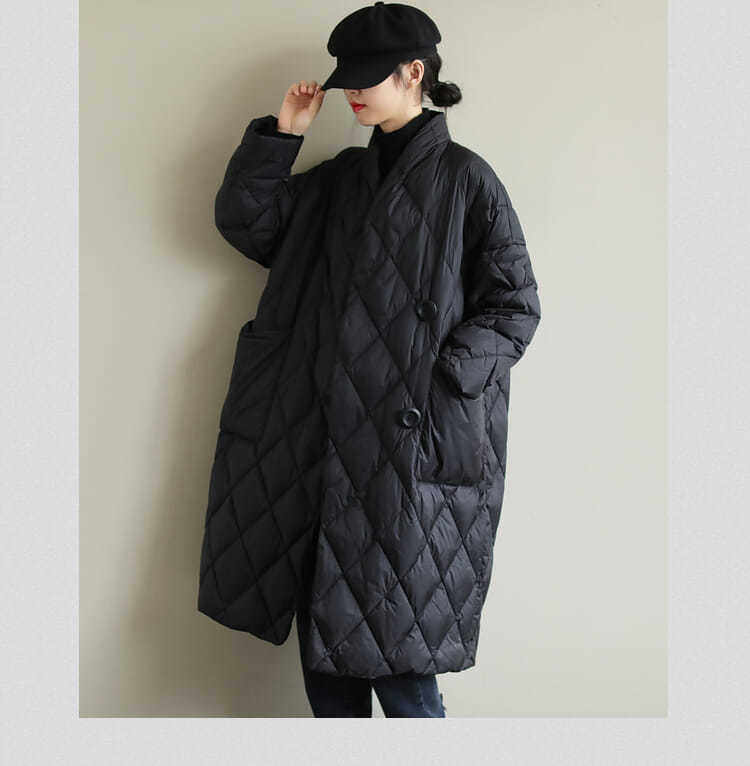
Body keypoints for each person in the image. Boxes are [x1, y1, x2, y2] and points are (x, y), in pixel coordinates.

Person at [199, 2, 541, 718]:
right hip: (319, 444)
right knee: (328, 675)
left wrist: (440, 379)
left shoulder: (467, 181)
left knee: (405, 677)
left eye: (367, 77)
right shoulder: (337, 181)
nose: (350, 91)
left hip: (408, 460)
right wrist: (283, 138)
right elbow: (251, 227)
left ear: (414, 72)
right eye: (345, 78)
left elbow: (514, 307)